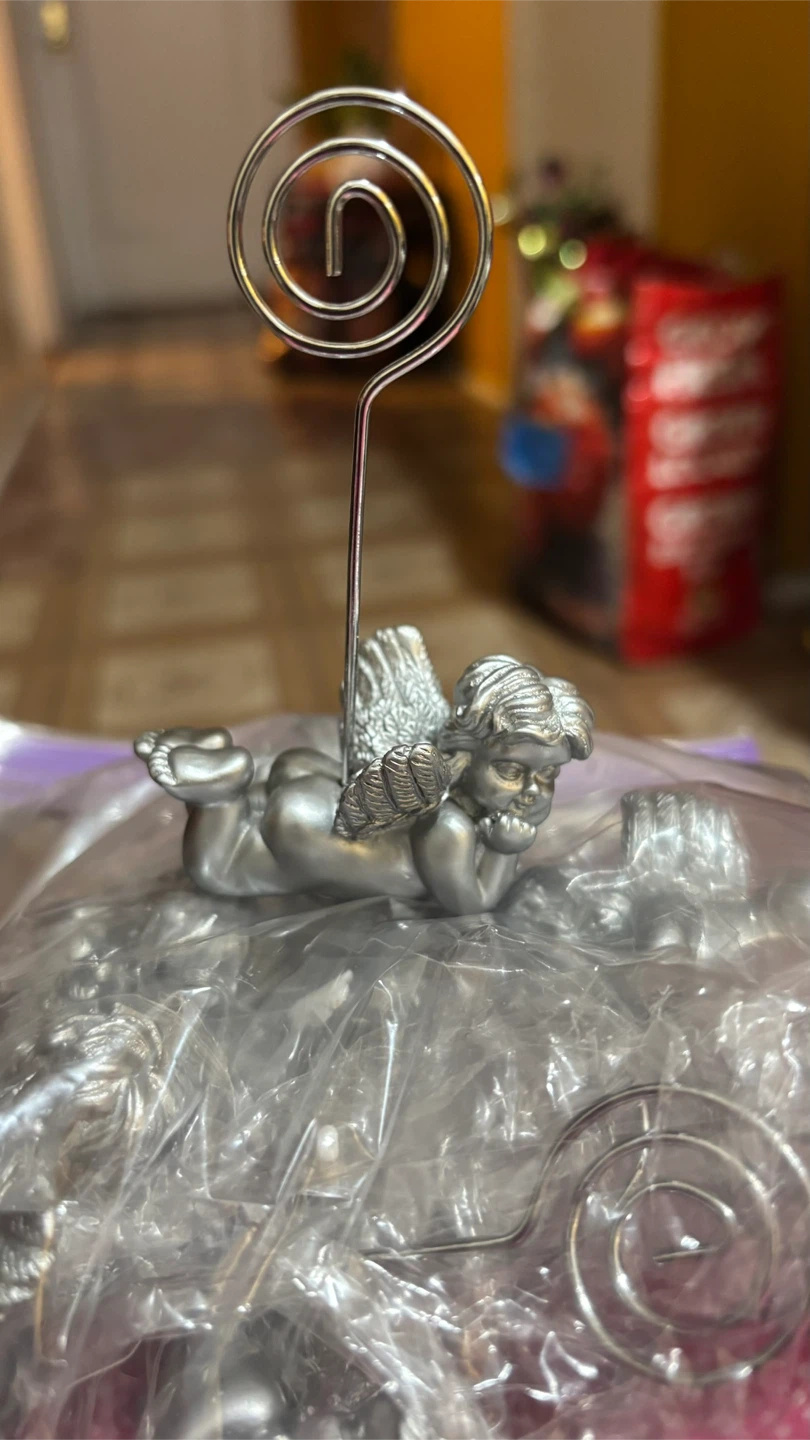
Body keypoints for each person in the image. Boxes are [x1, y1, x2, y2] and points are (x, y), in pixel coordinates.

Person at [136, 655, 594, 915]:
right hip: (313, 835)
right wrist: (504, 851)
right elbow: (472, 904)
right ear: (467, 754)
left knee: (276, 792)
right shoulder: (450, 829)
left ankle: (222, 760)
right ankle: (222, 795)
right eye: (511, 771)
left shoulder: (439, 791)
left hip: (321, 790)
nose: (532, 790)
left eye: (548, 774)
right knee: (221, 869)